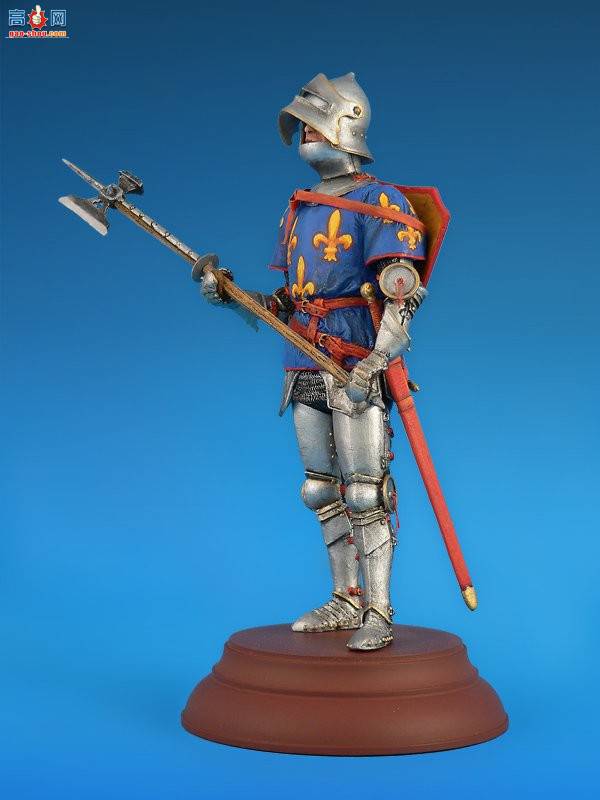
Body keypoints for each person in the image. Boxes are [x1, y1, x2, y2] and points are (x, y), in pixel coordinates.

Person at [200, 72, 428, 650]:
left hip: (353, 358)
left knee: (365, 492)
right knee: (319, 489)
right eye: (302, 124)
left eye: (314, 122)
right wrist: (235, 297)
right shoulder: (299, 207)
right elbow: (287, 300)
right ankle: (345, 599)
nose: (305, 132)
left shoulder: (382, 202)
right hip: (302, 358)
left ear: (345, 125)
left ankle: (378, 610)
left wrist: (374, 364)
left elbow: (401, 295)